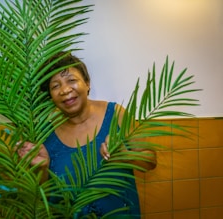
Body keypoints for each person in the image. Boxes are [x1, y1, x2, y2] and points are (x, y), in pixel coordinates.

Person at [18, 52, 157, 218]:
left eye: (71, 80)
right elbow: (43, 197)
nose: (65, 90)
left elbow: (150, 160)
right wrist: (41, 168)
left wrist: (126, 156)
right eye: (55, 86)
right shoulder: (44, 133)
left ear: (87, 84)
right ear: (51, 97)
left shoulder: (116, 115)